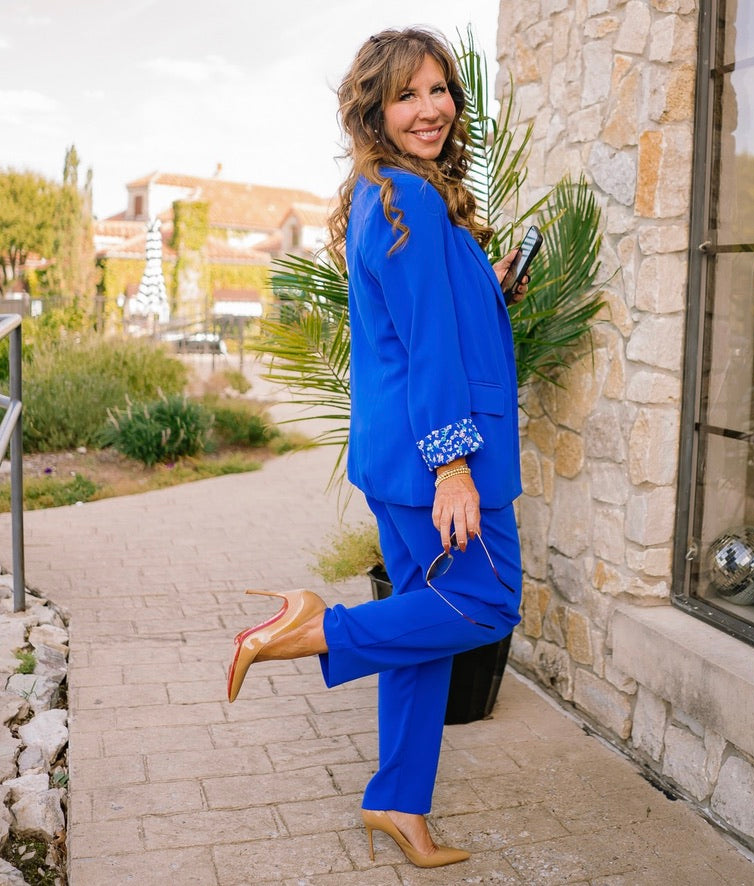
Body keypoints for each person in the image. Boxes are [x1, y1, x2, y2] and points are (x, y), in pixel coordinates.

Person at [227, 26, 527, 869]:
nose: (430, 109)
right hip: (436, 460)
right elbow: (428, 345)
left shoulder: (382, 193)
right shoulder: (412, 200)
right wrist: (454, 466)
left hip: (394, 457)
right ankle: (314, 628)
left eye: (440, 90)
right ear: (375, 111)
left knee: (424, 629)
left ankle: (398, 800)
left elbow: (419, 319)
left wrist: (492, 288)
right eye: (407, 96)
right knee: (487, 602)